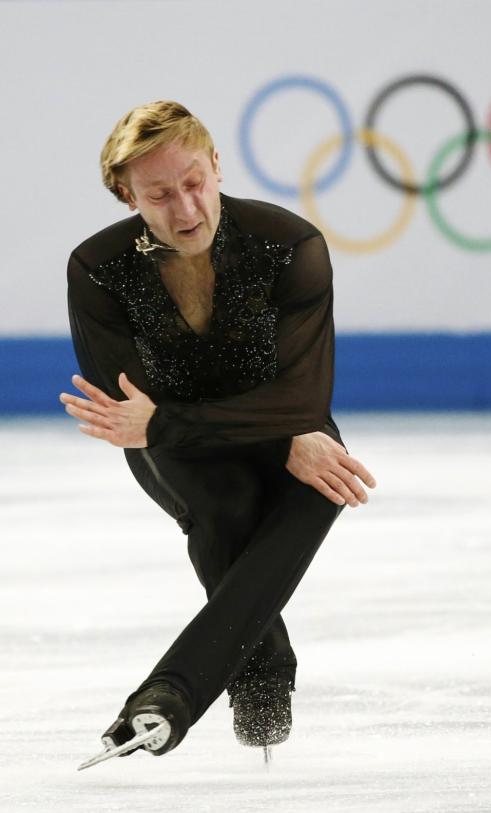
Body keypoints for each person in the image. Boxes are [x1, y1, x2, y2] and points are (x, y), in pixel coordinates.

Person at [60, 100, 376, 765]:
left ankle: (167, 699)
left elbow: (303, 396)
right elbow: (131, 413)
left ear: (217, 165)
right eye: (160, 194)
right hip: (170, 447)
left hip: (253, 422)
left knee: (323, 479)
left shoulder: (290, 245)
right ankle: (259, 671)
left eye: (195, 181)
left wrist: (289, 429)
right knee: (222, 503)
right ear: (127, 196)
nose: (187, 209)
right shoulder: (96, 268)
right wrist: (275, 429)